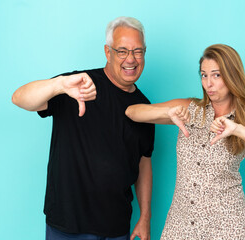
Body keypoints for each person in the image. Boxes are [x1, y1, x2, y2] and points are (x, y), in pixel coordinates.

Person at [125, 44, 245, 239]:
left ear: (232, 76)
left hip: (229, 228)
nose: (208, 83)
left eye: (216, 75)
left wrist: (238, 129)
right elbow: (132, 112)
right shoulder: (189, 109)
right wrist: (167, 113)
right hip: (181, 226)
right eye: (204, 75)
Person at [12, 16, 155, 240]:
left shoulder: (144, 107)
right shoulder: (77, 85)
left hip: (116, 227)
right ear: (108, 53)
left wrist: (145, 217)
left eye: (138, 51)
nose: (131, 59)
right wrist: (58, 85)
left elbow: (144, 162)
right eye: (122, 51)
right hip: (68, 226)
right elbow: (20, 98)